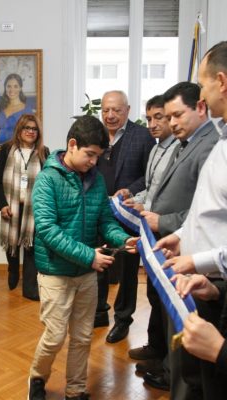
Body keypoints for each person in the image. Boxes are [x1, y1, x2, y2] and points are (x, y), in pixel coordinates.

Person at [28, 115, 137, 400]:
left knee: (83, 337)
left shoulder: (96, 180)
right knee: (54, 337)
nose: (93, 161)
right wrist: (90, 256)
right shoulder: (47, 180)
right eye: (90, 154)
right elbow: (48, 231)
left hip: (86, 274)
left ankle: (75, 390)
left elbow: (105, 221)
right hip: (56, 272)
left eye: (98, 156)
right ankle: (37, 378)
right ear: (72, 144)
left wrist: (124, 240)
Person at [129, 82, 219, 391]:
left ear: (200, 108)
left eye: (177, 115)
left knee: (188, 341)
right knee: (172, 323)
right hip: (178, 245)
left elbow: (204, 209)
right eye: (168, 117)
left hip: (199, 259)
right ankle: (169, 370)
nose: (172, 122)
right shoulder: (185, 143)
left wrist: (165, 222)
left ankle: (175, 378)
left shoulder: (210, 145)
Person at [154, 41, 227, 400]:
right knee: (194, 377)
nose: (202, 93)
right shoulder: (222, 140)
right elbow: (208, 208)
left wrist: (198, 260)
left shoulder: (213, 141)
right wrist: (183, 234)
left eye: (203, 83)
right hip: (208, 285)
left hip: (212, 277)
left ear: (221, 82)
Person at [123, 95, 177, 374]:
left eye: (159, 117)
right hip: (150, 228)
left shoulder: (179, 149)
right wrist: (134, 199)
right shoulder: (156, 149)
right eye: (149, 119)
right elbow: (151, 189)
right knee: (154, 292)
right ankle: (155, 347)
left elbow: (170, 197)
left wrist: (147, 206)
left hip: (167, 230)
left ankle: (167, 360)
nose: (152, 124)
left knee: (167, 297)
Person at [95, 90, 155, 344]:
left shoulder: (142, 136)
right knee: (98, 262)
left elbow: (149, 175)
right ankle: (99, 311)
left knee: (128, 270)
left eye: (116, 110)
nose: (110, 115)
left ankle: (123, 319)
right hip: (98, 212)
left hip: (127, 214)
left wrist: (129, 190)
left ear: (128, 110)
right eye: (106, 110)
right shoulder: (95, 134)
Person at [0, 114, 49, 300]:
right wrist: (2, 204)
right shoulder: (7, 149)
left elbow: (48, 180)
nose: (31, 132)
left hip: (34, 208)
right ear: (19, 130)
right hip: (11, 206)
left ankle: (30, 287)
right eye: (27, 128)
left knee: (31, 245)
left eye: (34, 129)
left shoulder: (44, 152)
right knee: (13, 243)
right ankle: (13, 270)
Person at [0, 73, 34, 145]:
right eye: (9, 86)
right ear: (5, 88)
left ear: (20, 88)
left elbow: (30, 136)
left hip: (17, 148)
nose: (12, 90)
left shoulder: (27, 110)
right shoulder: (2, 107)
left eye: (15, 86)